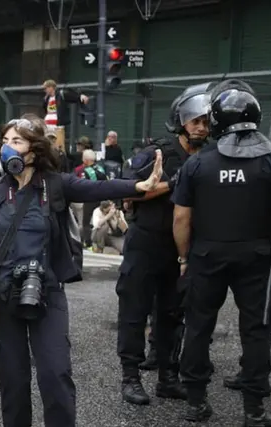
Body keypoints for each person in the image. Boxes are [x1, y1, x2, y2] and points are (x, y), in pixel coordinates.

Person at [0, 115, 163, 427]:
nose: (8, 148)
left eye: (16, 141)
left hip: (45, 292)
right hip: (2, 296)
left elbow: (99, 187)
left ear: (33, 150)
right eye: (5, 140)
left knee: (56, 376)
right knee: (13, 384)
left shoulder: (55, 184)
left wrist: (138, 186)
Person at [172, 79, 271, 427]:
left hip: (206, 254)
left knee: (199, 326)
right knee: (257, 329)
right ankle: (254, 409)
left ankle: (197, 402)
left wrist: (185, 257)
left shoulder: (198, 165)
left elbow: (182, 217)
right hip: (260, 257)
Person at [117, 83, 212, 406]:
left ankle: (168, 377)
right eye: (196, 121)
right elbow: (127, 191)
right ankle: (130, 377)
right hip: (146, 242)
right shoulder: (158, 153)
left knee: (173, 314)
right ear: (182, 122)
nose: (201, 127)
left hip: (182, 249)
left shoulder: (211, 157)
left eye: (206, 121)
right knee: (134, 310)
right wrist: (173, 183)